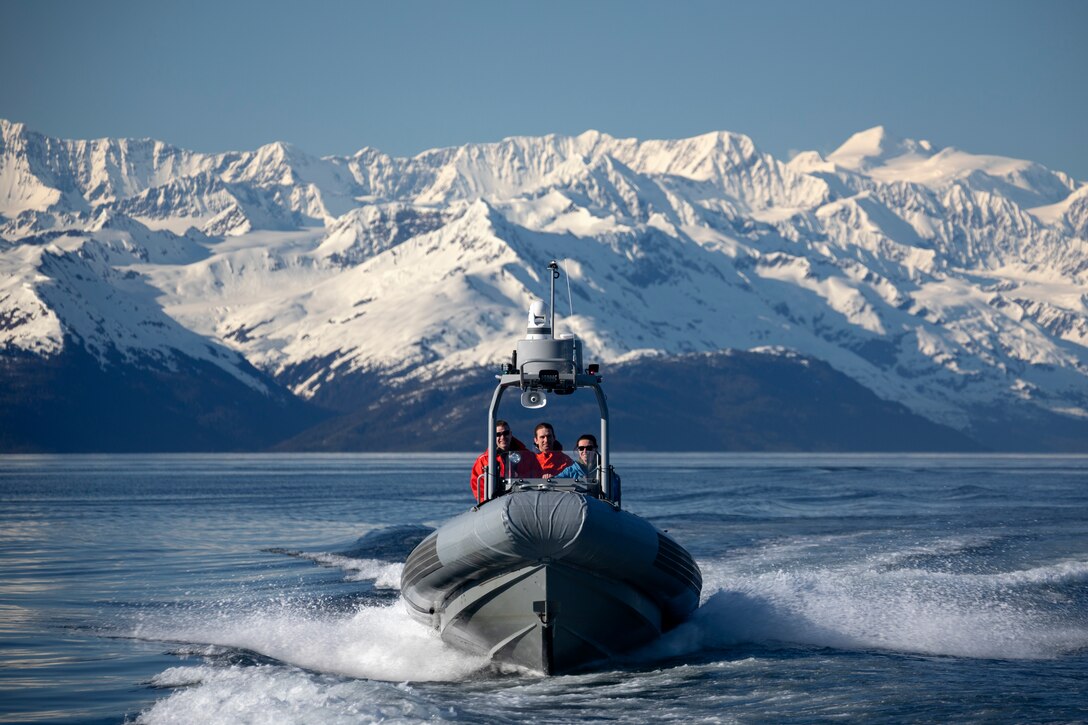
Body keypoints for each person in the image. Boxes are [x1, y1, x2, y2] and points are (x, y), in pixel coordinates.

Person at [470, 420, 542, 502]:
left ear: (510, 434)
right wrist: (486, 504)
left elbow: (538, 478)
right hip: (496, 504)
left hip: (525, 501)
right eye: (498, 434)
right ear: (493, 437)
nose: (503, 437)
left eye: (506, 433)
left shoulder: (529, 457)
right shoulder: (483, 460)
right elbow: (478, 488)